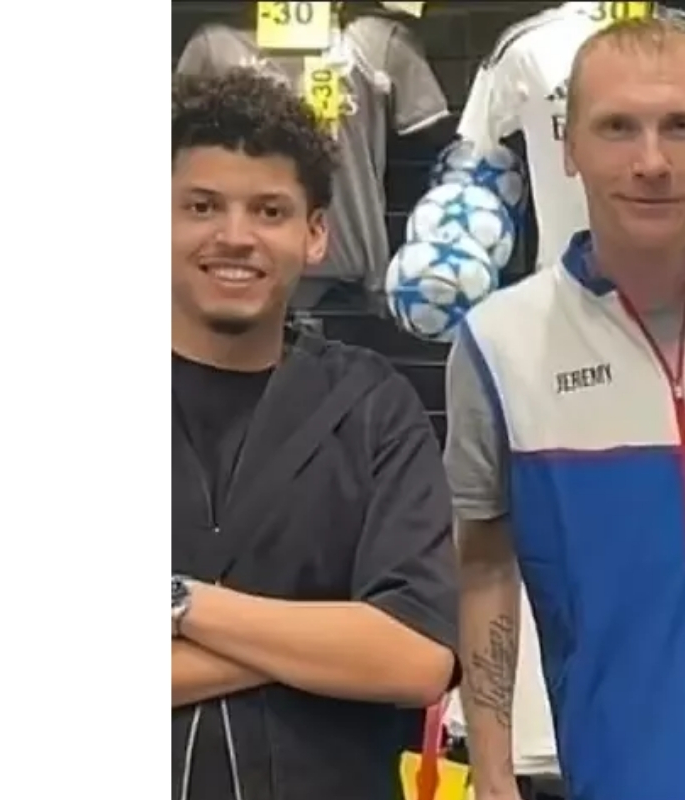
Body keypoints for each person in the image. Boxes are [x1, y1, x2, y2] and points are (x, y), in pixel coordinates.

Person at [447, 17, 685, 800]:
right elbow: (484, 560)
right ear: (569, 147)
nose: (651, 161)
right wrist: (491, 778)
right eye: (617, 127)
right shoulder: (499, 344)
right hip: (624, 775)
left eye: (681, 126)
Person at [170, 68, 458, 800]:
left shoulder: (372, 408)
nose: (235, 237)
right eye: (202, 206)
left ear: (316, 233)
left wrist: (180, 605)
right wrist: (323, 649)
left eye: (270, 211)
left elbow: (416, 657)